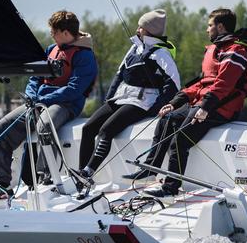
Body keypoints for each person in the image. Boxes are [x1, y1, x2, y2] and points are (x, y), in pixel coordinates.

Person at [127, 8, 247, 197]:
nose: (207, 29)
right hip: (203, 102)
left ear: (220, 27)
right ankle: (151, 167)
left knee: (179, 141)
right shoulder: (215, 49)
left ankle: (170, 188)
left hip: (221, 108)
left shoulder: (236, 51)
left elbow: (224, 85)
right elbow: (201, 83)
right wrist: (176, 102)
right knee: (167, 119)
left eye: (210, 25)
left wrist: (205, 107)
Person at [0, 10, 98, 199]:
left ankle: (45, 178)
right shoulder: (51, 49)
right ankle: (2, 186)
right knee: (0, 130)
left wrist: (44, 99)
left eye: (54, 31)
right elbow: (35, 77)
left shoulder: (85, 56)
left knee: (44, 126)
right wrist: (32, 95)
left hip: (67, 105)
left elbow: (74, 90)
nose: (51, 33)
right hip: (38, 101)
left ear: (66, 33)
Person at [77, 9, 180, 177]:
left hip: (141, 102)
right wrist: (109, 99)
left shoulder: (161, 53)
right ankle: (81, 172)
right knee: (88, 128)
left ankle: (88, 172)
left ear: (149, 30)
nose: (137, 29)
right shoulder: (134, 48)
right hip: (121, 97)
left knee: (106, 130)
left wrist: (158, 106)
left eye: (140, 27)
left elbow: (174, 82)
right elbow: (119, 75)